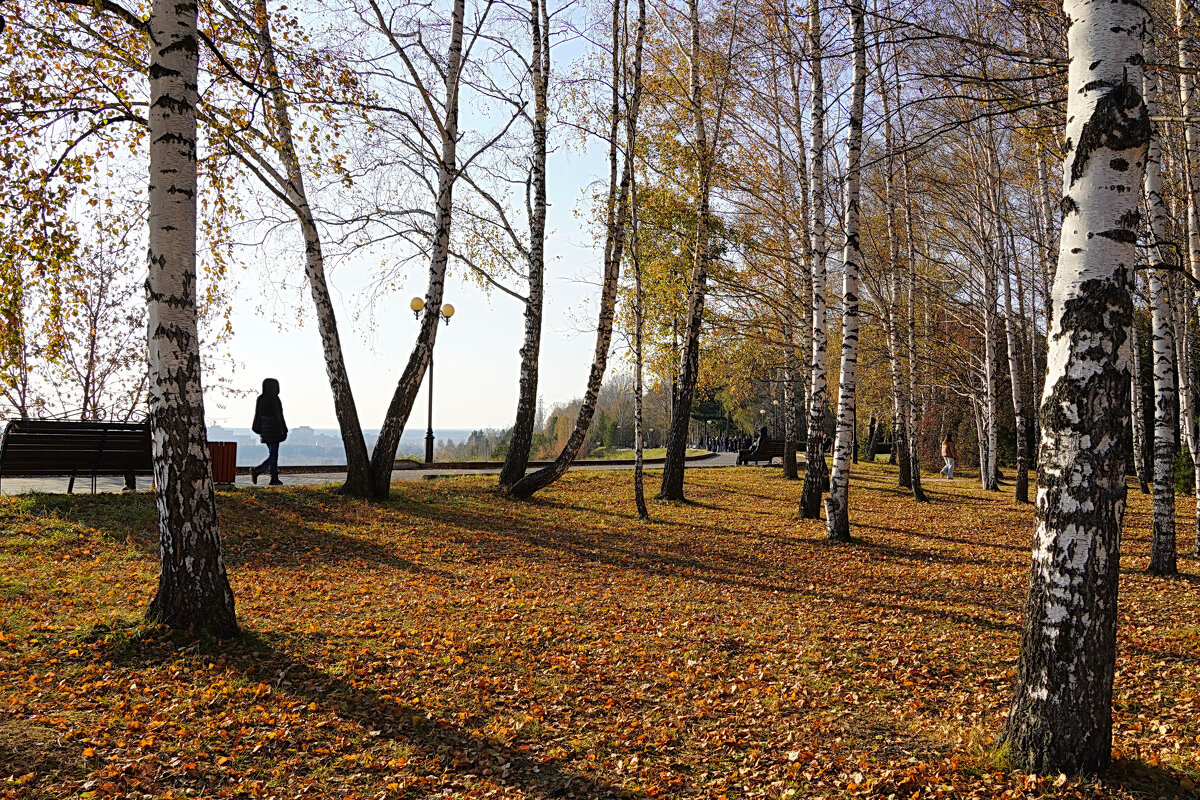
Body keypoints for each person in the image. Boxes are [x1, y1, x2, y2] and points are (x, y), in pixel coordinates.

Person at [251, 378, 288, 485]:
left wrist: (256, 427)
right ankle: (257, 470)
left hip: (264, 429)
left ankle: (274, 478)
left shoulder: (260, 399)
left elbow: (256, 414)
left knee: (273, 454)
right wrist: (284, 429)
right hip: (274, 429)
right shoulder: (275, 399)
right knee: (273, 455)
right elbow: (279, 416)